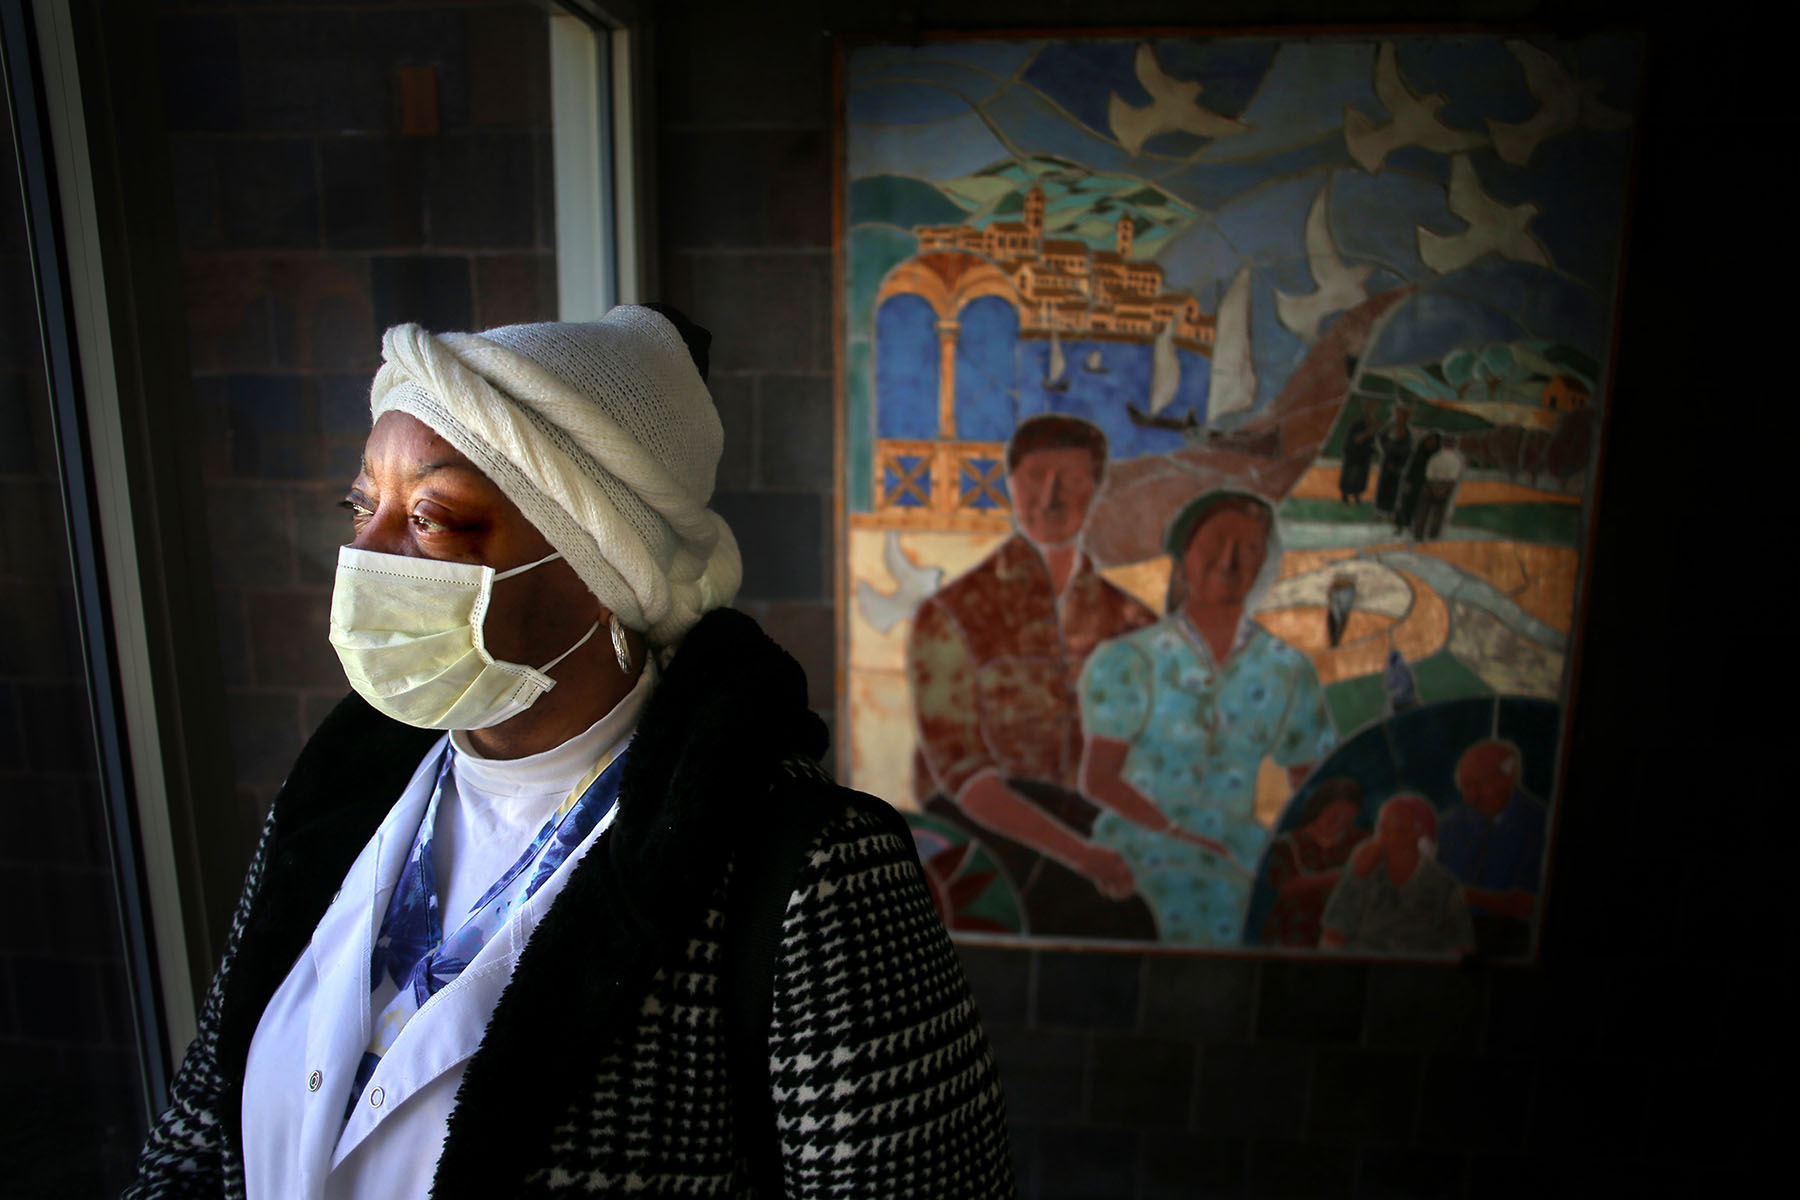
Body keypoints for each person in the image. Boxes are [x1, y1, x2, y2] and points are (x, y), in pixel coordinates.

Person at [126, 308, 1015, 1198]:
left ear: (602, 570)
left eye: (431, 515)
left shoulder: (805, 868)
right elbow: (201, 1136)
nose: (365, 553)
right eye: (363, 504)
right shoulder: (337, 802)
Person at [908, 413, 1158, 940]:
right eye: (1035, 477)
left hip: (1106, 834)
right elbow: (964, 777)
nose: (1051, 496)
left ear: (1096, 487)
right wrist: (1082, 856)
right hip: (989, 840)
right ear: (1011, 483)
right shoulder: (952, 616)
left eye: (1070, 478)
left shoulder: (1135, 625)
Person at [1077, 491, 1337, 946]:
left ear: (1263, 566)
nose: (1230, 560)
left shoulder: (1286, 668)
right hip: (1139, 844)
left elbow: (1312, 782)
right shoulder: (1130, 659)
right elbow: (1099, 779)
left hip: (1238, 851)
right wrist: (1178, 834)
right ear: (1184, 553)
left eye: (1250, 549)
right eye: (1216, 542)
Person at [1320, 792, 1474, 955]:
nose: (1384, 837)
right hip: (1365, 971)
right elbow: (1333, 936)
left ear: (1418, 833)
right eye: (1382, 827)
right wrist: (1356, 878)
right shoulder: (1362, 871)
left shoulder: (1443, 885)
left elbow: (1461, 947)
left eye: (1398, 829)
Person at [1437, 738, 1547, 956]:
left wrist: (1460, 897)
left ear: (1511, 777)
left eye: (1482, 784)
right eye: (1465, 786)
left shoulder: (1539, 825)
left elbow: (1526, 906)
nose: (1473, 796)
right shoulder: (1451, 825)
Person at [1258, 777, 1369, 947]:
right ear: (1320, 809)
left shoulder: (1363, 842)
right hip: (1293, 931)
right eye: (1334, 815)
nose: (1339, 822)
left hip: (1345, 932)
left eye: (1347, 817)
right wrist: (1339, 877)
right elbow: (1286, 885)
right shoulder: (1288, 843)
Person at [1411, 433, 1463, 540]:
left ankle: (1418, 535)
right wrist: (1443, 490)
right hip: (1445, 486)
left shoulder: (1435, 457)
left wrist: (1434, 488)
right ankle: (1432, 536)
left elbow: (1429, 475)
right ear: (1454, 444)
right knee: (1438, 514)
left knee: (1423, 512)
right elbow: (1452, 479)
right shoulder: (1456, 460)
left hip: (1431, 485)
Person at [1393, 430, 1442, 535]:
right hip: (1411, 482)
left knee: (1418, 507)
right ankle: (1400, 526)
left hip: (1424, 484)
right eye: (1429, 440)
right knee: (1404, 504)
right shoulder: (1418, 453)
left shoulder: (1434, 456)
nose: (1430, 443)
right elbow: (1411, 469)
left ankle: (1412, 527)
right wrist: (1406, 482)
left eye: (1433, 442)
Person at [1372, 404, 1414, 517]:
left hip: (1397, 466)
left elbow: (1407, 451)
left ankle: (1389, 509)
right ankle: (1380, 508)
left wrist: (1397, 465)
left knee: (1393, 489)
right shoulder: (1392, 428)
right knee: (1383, 486)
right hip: (1387, 463)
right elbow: (1382, 438)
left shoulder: (1407, 433)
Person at [1337, 399, 1377, 504]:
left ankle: (1357, 495)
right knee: (1350, 475)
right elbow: (1356, 439)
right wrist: (1370, 431)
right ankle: (1346, 495)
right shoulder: (1357, 425)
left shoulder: (1371, 426)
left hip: (1364, 457)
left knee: (1361, 477)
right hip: (1354, 456)